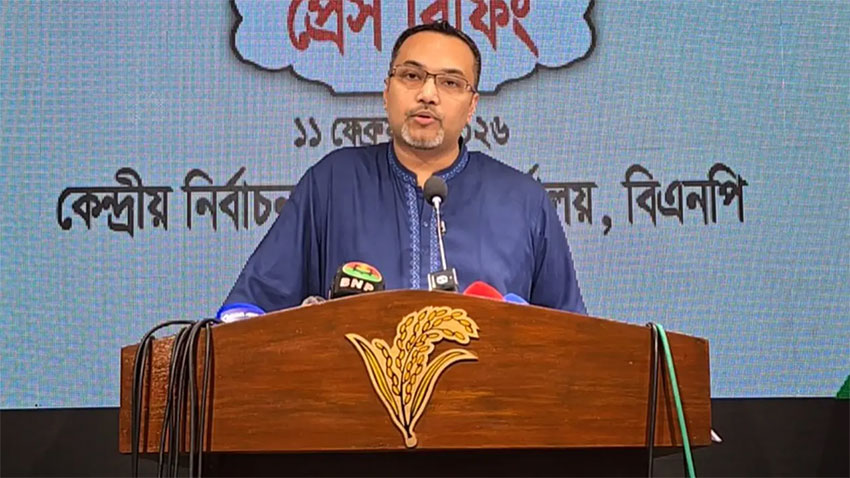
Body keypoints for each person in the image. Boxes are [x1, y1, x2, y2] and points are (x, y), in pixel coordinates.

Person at [220, 21, 586, 319]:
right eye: (411, 76)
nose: (427, 94)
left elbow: (574, 339)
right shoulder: (333, 182)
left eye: (450, 82)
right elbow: (249, 311)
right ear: (386, 92)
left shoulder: (523, 201)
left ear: (472, 105)